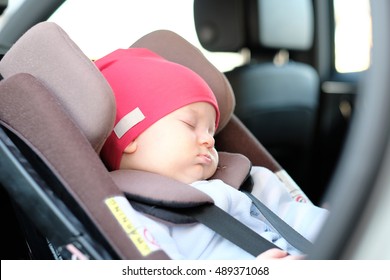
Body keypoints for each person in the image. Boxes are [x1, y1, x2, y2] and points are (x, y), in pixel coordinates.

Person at [95, 48, 329, 260]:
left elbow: (302, 219)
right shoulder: (132, 215)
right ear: (131, 138)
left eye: (211, 131)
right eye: (189, 125)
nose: (209, 140)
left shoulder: (250, 183)